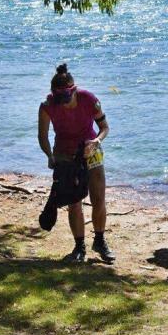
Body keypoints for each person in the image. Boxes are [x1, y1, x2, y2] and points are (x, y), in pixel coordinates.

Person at [38, 63, 115, 263]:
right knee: (74, 202)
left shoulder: (89, 99)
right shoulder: (47, 106)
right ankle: (79, 246)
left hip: (91, 150)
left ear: (74, 90)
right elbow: (43, 135)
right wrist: (49, 155)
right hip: (64, 154)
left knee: (98, 198)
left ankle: (99, 240)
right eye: (60, 99)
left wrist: (96, 141)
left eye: (68, 98)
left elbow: (104, 127)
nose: (64, 103)